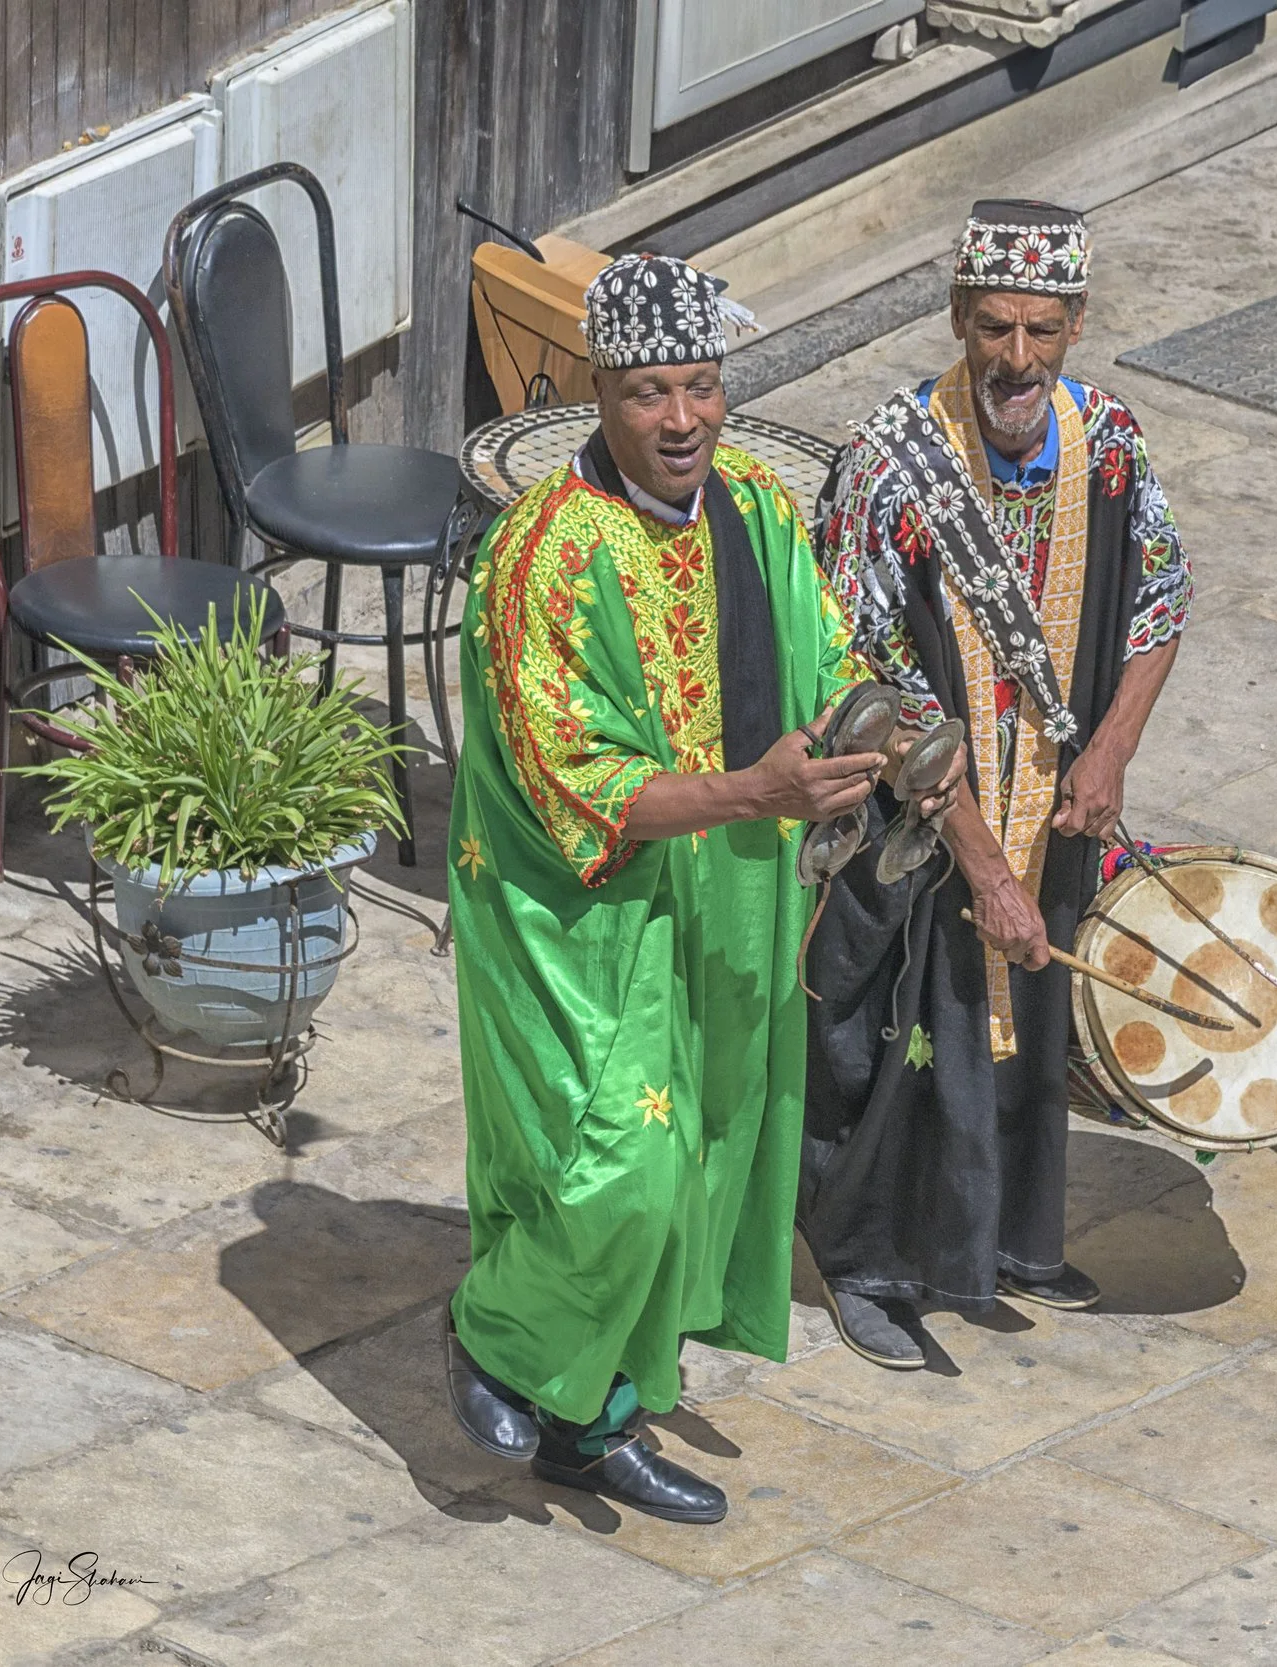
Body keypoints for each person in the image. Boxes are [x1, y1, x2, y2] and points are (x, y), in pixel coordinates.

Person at [444, 253, 881, 1522]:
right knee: (616, 1159)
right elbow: (574, 781)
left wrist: (886, 731)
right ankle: (492, 1330)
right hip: (579, 914)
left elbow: (828, 658)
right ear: (598, 393)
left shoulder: (754, 503)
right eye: (649, 392)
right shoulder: (543, 553)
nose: (682, 418)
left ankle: (598, 1419)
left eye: (702, 386)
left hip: (728, 891)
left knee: (697, 1154)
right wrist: (758, 791)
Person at [799, 200, 1192, 1368]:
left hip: (1054, 804)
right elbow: (875, 689)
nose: (1016, 358)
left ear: (1077, 322)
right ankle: (868, 1262)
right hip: (919, 826)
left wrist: (1108, 750)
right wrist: (983, 866)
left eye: (1041, 330)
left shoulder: (1107, 441)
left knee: (1026, 1025)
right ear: (957, 317)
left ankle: (1010, 1239)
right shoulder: (886, 468)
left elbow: (1161, 598)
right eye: (993, 328)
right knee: (900, 1034)